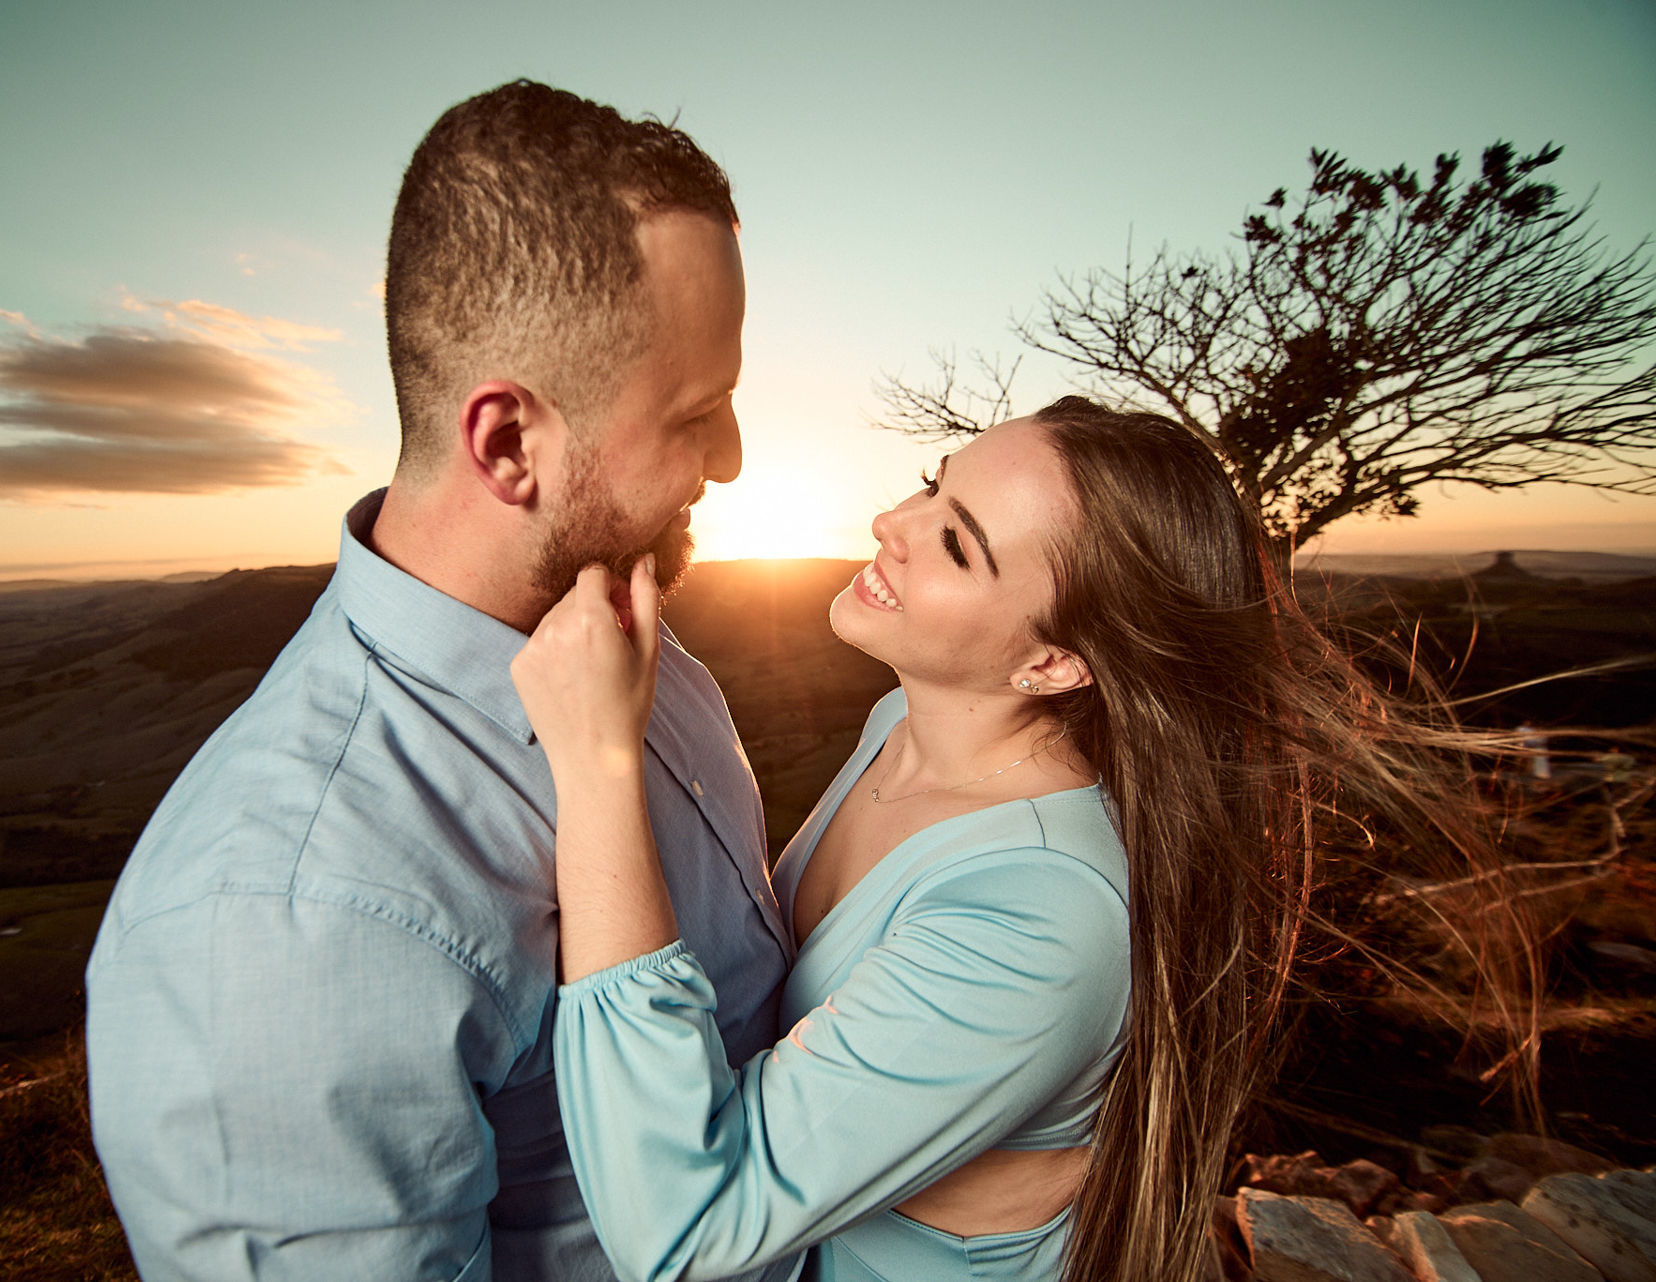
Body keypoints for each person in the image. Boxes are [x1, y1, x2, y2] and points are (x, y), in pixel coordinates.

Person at [512, 396, 1530, 1281]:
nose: (890, 522)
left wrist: (598, 762)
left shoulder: (1044, 915)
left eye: (957, 542)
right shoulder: (903, 729)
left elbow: (684, 1224)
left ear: (1054, 663)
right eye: (930, 485)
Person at [85, 81, 798, 1282]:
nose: (731, 459)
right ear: (509, 442)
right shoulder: (282, 921)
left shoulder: (631, 639)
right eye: (700, 412)